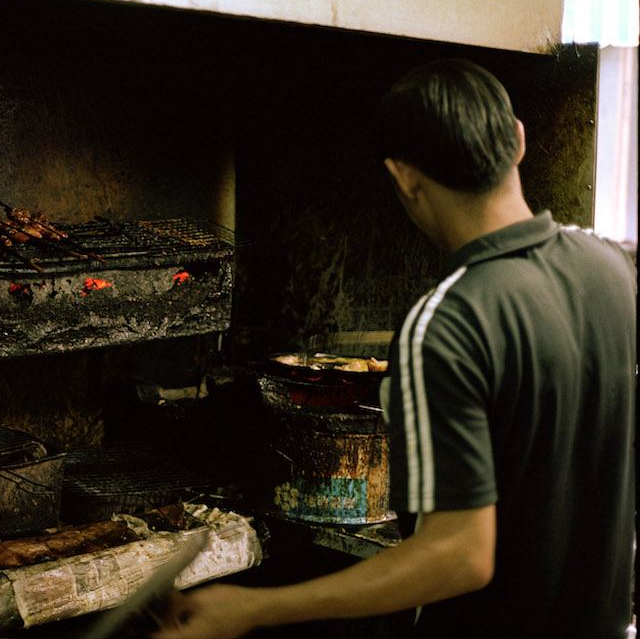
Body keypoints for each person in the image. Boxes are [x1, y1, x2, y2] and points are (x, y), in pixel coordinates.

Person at [153, 58, 637, 639]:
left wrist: (253, 609)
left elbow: (460, 555)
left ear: (403, 175)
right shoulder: (611, 268)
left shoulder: (448, 320)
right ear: (519, 140)